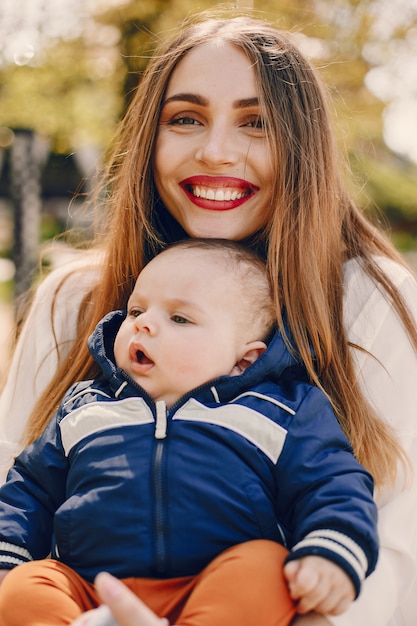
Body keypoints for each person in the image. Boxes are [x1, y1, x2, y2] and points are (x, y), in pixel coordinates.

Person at [0, 7, 416, 625]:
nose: (216, 151)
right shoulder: (73, 301)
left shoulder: (373, 298)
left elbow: (393, 549)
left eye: (256, 123)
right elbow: (20, 486)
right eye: (186, 118)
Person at [0, 239, 378, 626]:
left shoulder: (279, 411)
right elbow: (31, 486)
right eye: (136, 310)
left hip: (212, 588)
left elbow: (332, 480)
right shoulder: (85, 407)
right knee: (28, 585)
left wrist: (330, 548)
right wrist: (8, 552)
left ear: (245, 359)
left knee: (266, 567)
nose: (143, 323)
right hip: (92, 590)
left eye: (180, 319)